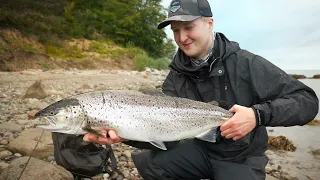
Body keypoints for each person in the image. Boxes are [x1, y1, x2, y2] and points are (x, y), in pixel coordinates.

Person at [83, 0, 319, 179]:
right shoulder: (176, 76)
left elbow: (307, 101)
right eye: (175, 30)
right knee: (151, 164)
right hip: (200, 149)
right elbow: (163, 132)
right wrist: (124, 134)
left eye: (188, 27)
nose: (182, 37)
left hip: (241, 158)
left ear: (210, 23)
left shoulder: (247, 64)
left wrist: (257, 116)